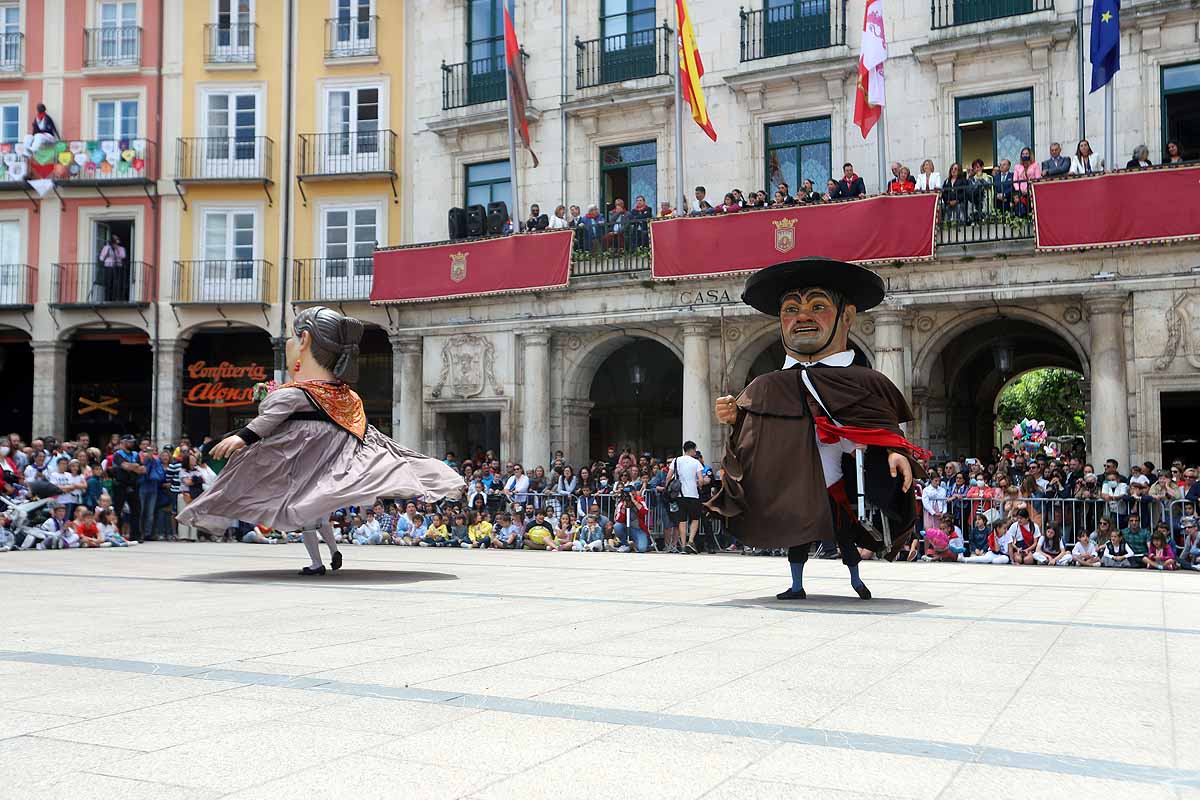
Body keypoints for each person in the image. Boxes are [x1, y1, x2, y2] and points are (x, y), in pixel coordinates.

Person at [180, 307, 464, 575]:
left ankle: (317, 563)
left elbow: (268, 420)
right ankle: (332, 551)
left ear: (304, 339)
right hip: (331, 474)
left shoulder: (295, 393)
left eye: (292, 337)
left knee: (301, 514)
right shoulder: (349, 396)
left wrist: (242, 437)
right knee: (320, 516)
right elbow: (367, 436)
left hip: (304, 472)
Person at [710, 258, 927, 599]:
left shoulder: (868, 381)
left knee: (843, 532)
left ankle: (856, 579)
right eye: (791, 308)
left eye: (818, 305)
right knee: (798, 535)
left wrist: (895, 451)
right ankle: (796, 584)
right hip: (794, 484)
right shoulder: (764, 386)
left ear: (847, 316)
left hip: (836, 481)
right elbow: (752, 438)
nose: (802, 316)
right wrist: (734, 419)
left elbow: (880, 425)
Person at [668, 442, 705, 554]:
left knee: (682, 521)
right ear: (692, 450)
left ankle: (683, 546)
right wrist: (699, 484)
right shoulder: (696, 462)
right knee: (695, 519)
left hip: (680, 495)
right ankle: (691, 540)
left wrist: (668, 489)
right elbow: (701, 480)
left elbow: (669, 476)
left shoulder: (676, 461)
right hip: (693, 495)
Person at [97, 234, 128, 303]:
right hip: (109, 267)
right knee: (108, 283)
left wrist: (117, 249)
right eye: (116, 239)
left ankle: (116, 298)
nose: (117, 241)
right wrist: (107, 257)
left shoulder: (121, 248)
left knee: (117, 283)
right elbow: (101, 257)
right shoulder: (107, 247)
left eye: (117, 239)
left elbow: (123, 256)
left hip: (118, 267)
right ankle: (107, 299)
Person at [1012, 147, 1040, 215]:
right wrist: (1019, 190)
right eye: (1023, 154)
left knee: (1031, 209)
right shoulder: (1017, 166)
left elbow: (1038, 178)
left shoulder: (1035, 165)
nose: (1024, 155)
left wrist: (1029, 189)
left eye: (1026, 154)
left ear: (1030, 155)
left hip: (1031, 191)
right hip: (1020, 193)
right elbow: (1015, 180)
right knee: (1021, 209)